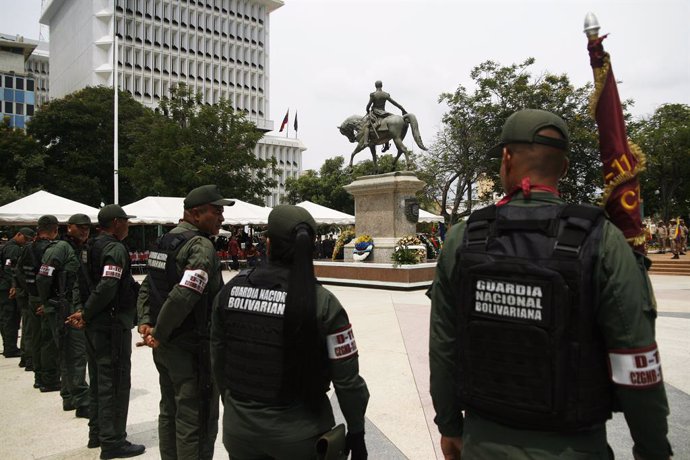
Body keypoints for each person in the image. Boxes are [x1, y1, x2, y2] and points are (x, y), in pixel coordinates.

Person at [428, 109, 672, 460]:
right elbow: (634, 356)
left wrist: (449, 426)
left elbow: (444, 347)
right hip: (575, 448)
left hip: (482, 445)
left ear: (506, 158)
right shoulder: (601, 239)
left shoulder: (463, 238)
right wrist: (653, 450)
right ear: (566, 167)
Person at [211, 205, 370, 460]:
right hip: (301, 437)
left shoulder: (230, 292)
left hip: (239, 432)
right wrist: (357, 431)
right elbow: (348, 382)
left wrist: (235, 409)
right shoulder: (324, 303)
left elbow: (218, 359)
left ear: (268, 243)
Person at [137, 185, 231, 460]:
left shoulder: (164, 241)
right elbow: (185, 294)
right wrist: (160, 332)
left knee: (170, 410)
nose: (221, 218)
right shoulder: (200, 246)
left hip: (166, 345)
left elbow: (147, 285)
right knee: (196, 417)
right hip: (191, 347)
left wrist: (147, 323)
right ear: (194, 213)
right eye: (216, 211)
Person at [65, 204, 145, 459]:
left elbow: (81, 282)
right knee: (115, 383)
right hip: (110, 325)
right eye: (126, 221)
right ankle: (113, 442)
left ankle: (97, 433)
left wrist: (83, 312)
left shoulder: (90, 246)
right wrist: (86, 313)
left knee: (99, 380)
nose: (128, 226)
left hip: (96, 325)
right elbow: (108, 285)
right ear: (117, 222)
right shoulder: (114, 248)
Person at [37, 213, 92, 415]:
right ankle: (82, 400)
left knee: (68, 354)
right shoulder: (61, 248)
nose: (85, 230)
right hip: (64, 307)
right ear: (69, 228)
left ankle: (69, 396)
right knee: (75, 354)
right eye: (80, 227)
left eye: (87, 227)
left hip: (70, 306)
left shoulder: (80, 248)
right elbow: (43, 277)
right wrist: (49, 303)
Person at [15, 216, 62, 391]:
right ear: (54, 229)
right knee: (48, 339)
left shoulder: (27, 248)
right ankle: (49, 379)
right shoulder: (49, 249)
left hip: (32, 298)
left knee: (36, 338)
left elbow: (19, 272)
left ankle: (39, 376)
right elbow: (49, 277)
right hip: (45, 299)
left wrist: (29, 291)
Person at [0, 227, 34, 358]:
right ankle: (10, 348)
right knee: (10, 317)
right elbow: (10, 269)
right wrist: (14, 285)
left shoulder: (9, 246)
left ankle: (10, 346)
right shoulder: (12, 248)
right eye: (25, 239)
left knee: (8, 317)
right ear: (18, 235)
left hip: (6, 286)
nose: (26, 242)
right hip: (8, 288)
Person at [359, 80, 406, 149]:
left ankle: (365, 142)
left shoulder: (373, 95)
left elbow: (368, 105)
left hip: (375, 113)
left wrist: (367, 110)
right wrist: (402, 109)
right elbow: (394, 103)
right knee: (387, 125)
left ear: (375, 86)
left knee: (367, 126)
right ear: (382, 85)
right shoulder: (385, 94)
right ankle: (386, 144)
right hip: (384, 113)